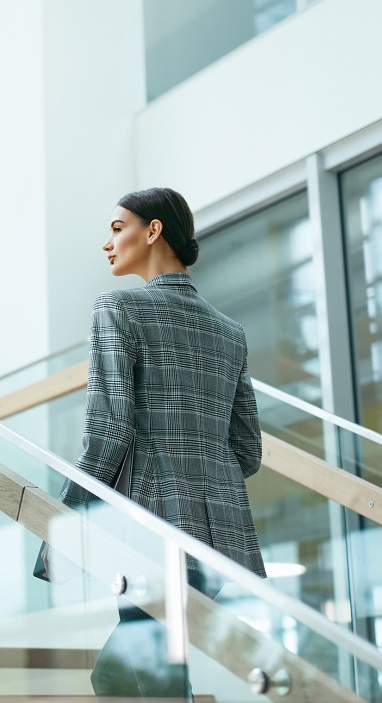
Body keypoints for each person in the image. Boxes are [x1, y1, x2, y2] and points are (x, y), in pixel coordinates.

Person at [55, 186, 267, 699]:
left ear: (153, 231)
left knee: (156, 676)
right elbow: (248, 451)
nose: (107, 243)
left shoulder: (118, 308)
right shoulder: (230, 331)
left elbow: (110, 430)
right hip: (220, 537)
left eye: (117, 228)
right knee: (117, 675)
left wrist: (62, 519)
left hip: (149, 530)